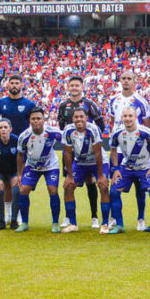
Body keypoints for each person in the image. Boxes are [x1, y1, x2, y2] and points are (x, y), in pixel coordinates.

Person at [0, 74, 35, 224]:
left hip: (22, 150)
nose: (14, 85)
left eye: (17, 83)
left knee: (21, 185)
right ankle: (9, 213)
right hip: (4, 149)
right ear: (8, 85)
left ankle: (19, 214)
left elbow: (35, 124)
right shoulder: (1, 103)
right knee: (6, 186)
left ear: (22, 85)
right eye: (12, 83)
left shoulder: (29, 104)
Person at [57, 75, 106, 229]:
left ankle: (95, 216)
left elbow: (100, 125)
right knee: (68, 183)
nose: (74, 88)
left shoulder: (89, 104)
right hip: (72, 149)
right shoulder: (63, 105)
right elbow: (61, 126)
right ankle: (68, 217)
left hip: (90, 150)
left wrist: (89, 139)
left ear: (82, 87)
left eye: (77, 85)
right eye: (71, 85)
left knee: (92, 182)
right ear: (68, 87)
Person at [108, 71, 150, 231]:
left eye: (129, 79)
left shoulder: (141, 101)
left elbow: (147, 125)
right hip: (119, 147)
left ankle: (141, 218)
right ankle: (115, 218)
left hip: (136, 147)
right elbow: (112, 122)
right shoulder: (113, 99)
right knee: (115, 183)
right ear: (120, 80)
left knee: (140, 186)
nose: (126, 81)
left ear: (134, 81)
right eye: (124, 78)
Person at [108, 107, 150, 235]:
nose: (128, 119)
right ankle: (119, 224)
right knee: (114, 191)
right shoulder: (117, 133)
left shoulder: (146, 132)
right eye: (125, 116)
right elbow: (113, 150)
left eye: (130, 116)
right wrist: (116, 169)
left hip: (145, 168)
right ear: (121, 118)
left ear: (136, 117)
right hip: (126, 168)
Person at [15, 107, 64, 233]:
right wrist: (19, 174)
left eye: (38, 118)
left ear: (43, 120)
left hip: (50, 166)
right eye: (33, 119)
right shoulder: (24, 136)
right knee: (23, 190)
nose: (36, 121)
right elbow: (20, 155)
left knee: (52, 190)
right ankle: (24, 223)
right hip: (32, 166)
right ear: (29, 120)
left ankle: (55, 223)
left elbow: (67, 141)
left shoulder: (53, 132)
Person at [62, 108, 110, 233]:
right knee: (68, 186)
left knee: (103, 186)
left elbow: (98, 153)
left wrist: (100, 176)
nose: (79, 119)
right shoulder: (68, 130)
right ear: (72, 119)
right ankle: (73, 224)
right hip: (80, 163)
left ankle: (105, 224)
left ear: (86, 118)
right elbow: (67, 153)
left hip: (97, 162)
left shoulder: (93, 129)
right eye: (76, 117)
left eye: (81, 116)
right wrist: (70, 176)